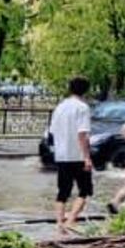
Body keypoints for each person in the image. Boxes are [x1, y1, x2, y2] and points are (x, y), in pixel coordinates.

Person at [50, 76, 93, 234]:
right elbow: (82, 134)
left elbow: (52, 132)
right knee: (85, 190)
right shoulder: (82, 108)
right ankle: (70, 220)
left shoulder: (60, 107)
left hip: (61, 155)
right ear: (86, 91)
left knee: (63, 191)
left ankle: (59, 224)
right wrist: (87, 157)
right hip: (77, 155)